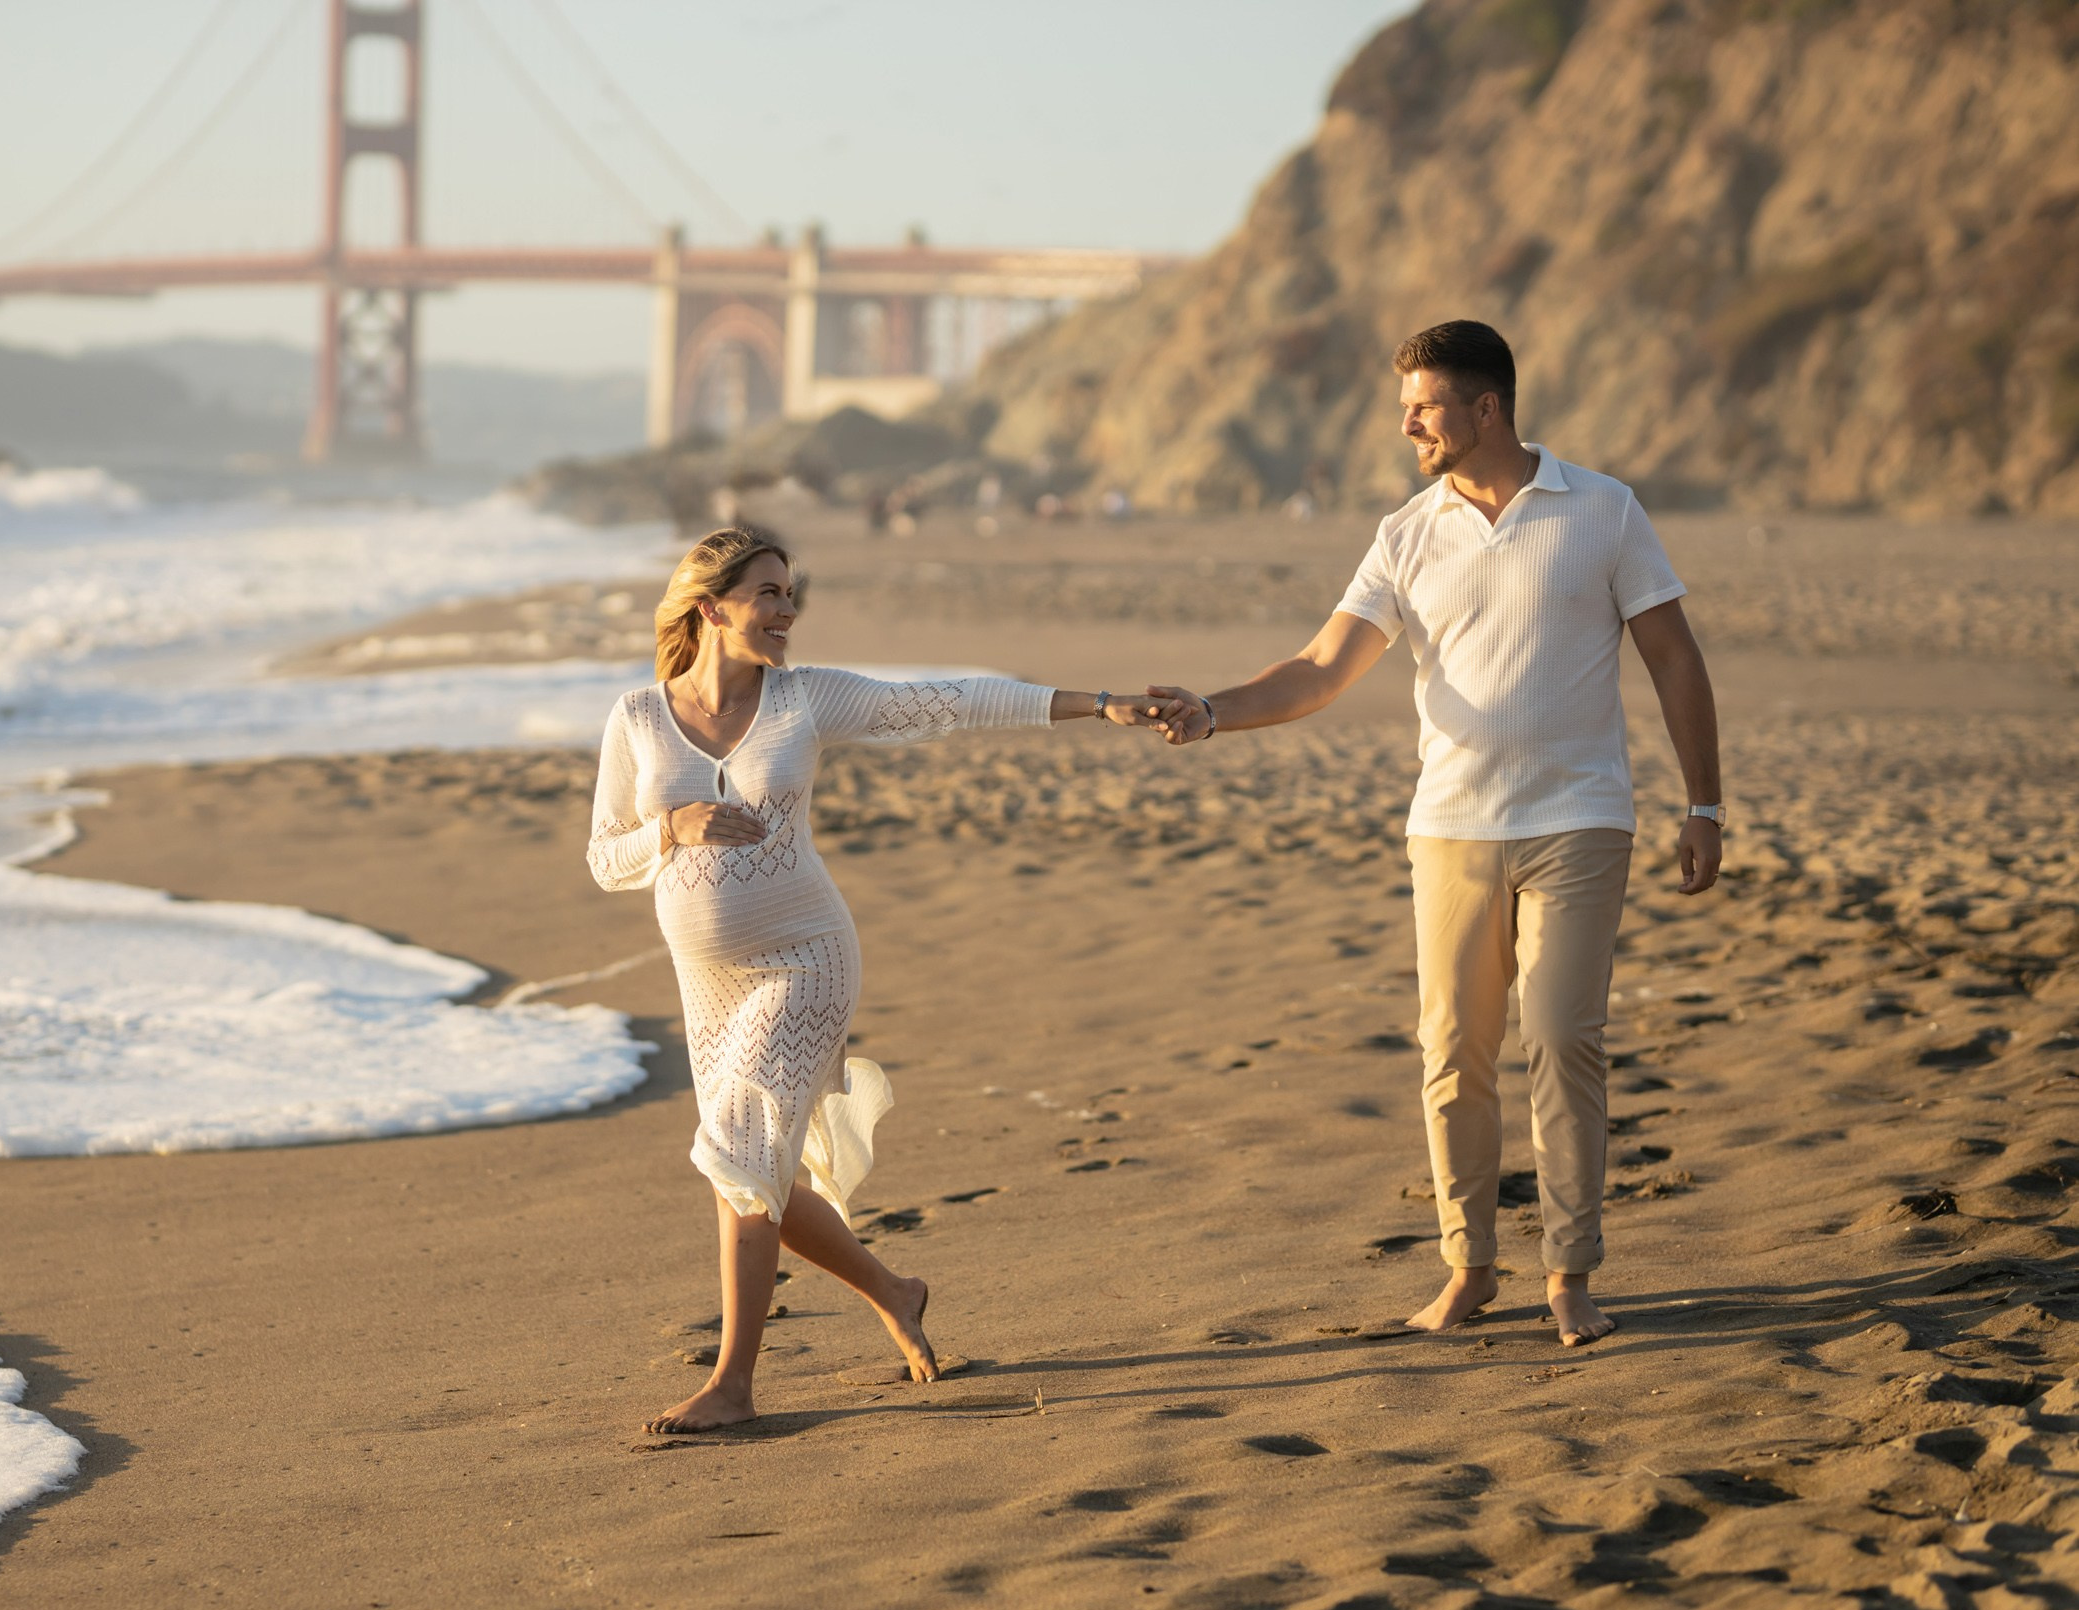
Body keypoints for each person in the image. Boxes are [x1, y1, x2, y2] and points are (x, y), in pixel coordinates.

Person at [1144, 320, 1724, 1347]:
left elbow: (1673, 658)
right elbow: (1322, 666)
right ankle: (1469, 1265)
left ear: (1486, 407)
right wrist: (1212, 708)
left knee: (1561, 1037)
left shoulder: (1602, 508)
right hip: (1451, 826)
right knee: (1453, 1050)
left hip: (1580, 819)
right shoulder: (1405, 533)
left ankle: (1570, 1273)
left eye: (1423, 404)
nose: (1405, 421)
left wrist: (1703, 803)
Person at [587, 525, 1170, 1432]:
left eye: (791, 596)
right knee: (755, 1174)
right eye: (769, 595)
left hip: (806, 958)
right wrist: (672, 829)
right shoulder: (635, 718)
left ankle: (734, 1385)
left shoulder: (805, 700)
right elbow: (605, 859)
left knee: (741, 1154)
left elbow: (950, 700)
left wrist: (1098, 704)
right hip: (709, 985)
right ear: (711, 607)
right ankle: (898, 1291)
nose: (787, 612)